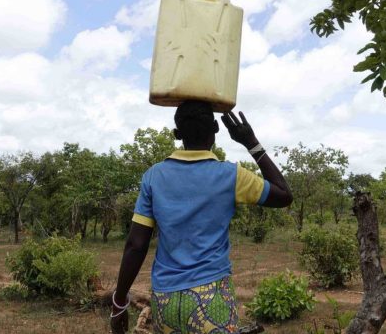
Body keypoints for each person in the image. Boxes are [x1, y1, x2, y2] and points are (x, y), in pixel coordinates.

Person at [110, 101, 293, 334]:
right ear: (216, 128)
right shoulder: (231, 176)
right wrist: (250, 142)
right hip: (213, 298)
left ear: (177, 134)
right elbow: (284, 195)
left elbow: (136, 245)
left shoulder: (154, 176)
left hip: (165, 301)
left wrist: (118, 304)